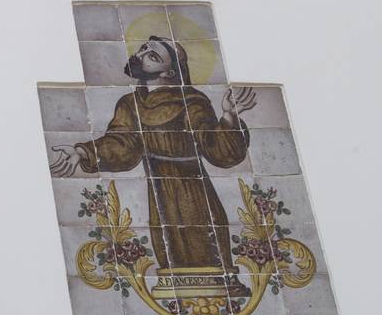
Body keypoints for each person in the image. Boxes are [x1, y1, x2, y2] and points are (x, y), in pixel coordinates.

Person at [50, 36, 257, 296]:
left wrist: (229, 116)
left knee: (203, 246)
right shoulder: (131, 104)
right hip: (158, 193)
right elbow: (122, 144)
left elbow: (217, 150)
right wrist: (83, 152)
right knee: (167, 247)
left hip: (194, 195)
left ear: (170, 71)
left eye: (153, 55)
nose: (141, 54)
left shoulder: (191, 101)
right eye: (144, 49)